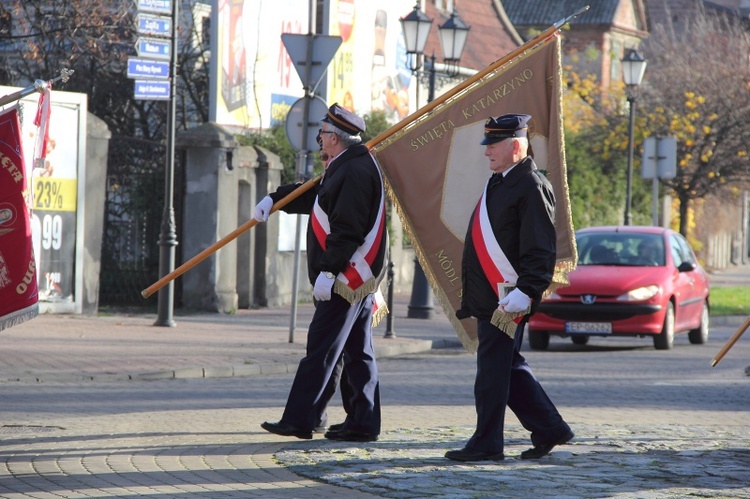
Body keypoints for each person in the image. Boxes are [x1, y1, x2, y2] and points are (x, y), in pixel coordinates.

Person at [254, 103, 387, 442]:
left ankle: (301, 419)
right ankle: (362, 421)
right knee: (356, 352)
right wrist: (276, 200)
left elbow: (347, 228)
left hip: (347, 277)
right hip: (352, 278)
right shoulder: (346, 165)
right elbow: (316, 195)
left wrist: (329, 270)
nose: (319, 138)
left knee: (323, 347)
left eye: (324, 133)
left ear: (338, 139)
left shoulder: (354, 171)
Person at [446, 113, 574, 462]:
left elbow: (540, 248)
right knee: (506, 367)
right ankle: (550, 427)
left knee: (492, 371)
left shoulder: (531, 185)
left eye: (493, 144)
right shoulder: (502, 180)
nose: (486, 151)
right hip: (493, 295)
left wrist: (527, 290)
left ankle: (487, 443)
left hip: (509, 297)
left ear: (516, 146)